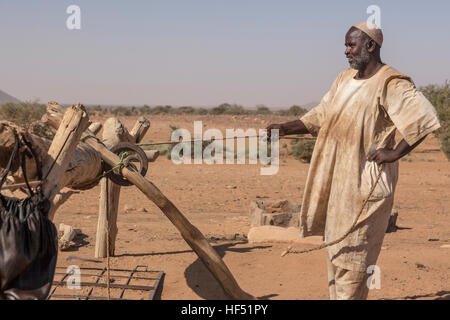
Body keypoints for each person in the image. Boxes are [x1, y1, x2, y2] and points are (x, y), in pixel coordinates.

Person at [266, 21, 441, 300]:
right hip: (339, 182)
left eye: (351, 44)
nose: (346, 50)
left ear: (370, 46)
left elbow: (424, 118)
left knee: (354, 258)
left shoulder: (390, 82)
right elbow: (322, 114)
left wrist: (394, 153)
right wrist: (286, 127)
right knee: (336, 254)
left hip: (365, 186)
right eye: (346, 45)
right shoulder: (344, 78)